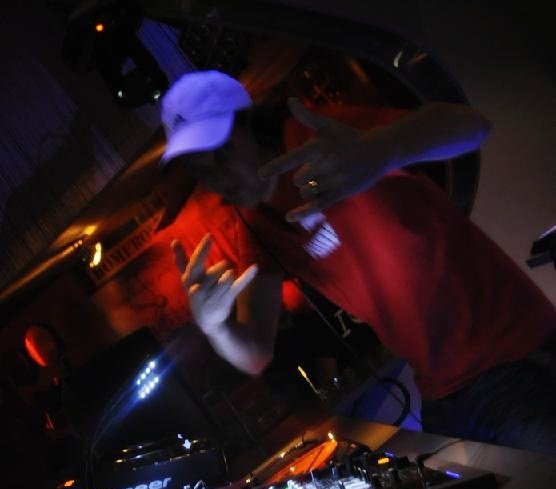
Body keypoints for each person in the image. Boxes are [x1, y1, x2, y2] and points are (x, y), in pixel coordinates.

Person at [162, 70, 556, 454]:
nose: (220, 178)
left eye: (222, 153)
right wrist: (214, 326)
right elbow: (254, 354)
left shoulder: (315, 137)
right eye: (203, 171)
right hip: (443, 391)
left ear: (250, 125)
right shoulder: (256, 224)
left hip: (512, 356)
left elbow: (472, 125)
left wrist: (383, 149)